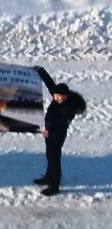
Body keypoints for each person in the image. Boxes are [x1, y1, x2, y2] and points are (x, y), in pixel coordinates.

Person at [32, 66, 86, 196]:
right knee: (50, 157)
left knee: (54, 160)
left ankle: (54, 186)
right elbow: (50, 83)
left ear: (66, 96)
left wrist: (49, 133)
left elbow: (62, 125)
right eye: (56, 96)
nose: (58, 99)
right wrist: (40, 71)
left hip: (57, 135)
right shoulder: (57, 96)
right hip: (49, 133)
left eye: (61, 97)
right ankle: (48, 177)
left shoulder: (68, 108)